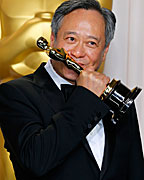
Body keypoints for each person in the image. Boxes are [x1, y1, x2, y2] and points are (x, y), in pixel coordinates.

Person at [0, 0, 144, 179]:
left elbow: (135, 170)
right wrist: (86, 96)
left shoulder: (117, 96)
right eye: (71, 39)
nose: (78, 52)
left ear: (105, 51)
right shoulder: (15, 93)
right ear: (53, 39)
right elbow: (36, 161)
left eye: (91, 43)